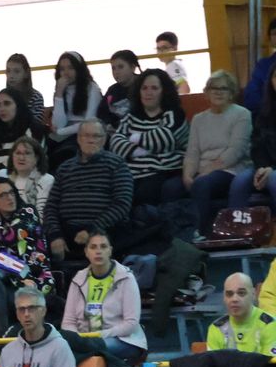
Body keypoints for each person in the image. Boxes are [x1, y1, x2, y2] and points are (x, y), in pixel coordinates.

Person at [46, 120, 135, 261]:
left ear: (104, 139)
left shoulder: (117, 164)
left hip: (106, 231)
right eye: (86, 135)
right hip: (67, 232)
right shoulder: (64, 168)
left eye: (96, 136)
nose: (91, 140)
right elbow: (51, 206)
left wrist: (92, 230)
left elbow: (122, 204)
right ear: (78, 139)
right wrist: (55, 235)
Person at [0, 177, 55, 334]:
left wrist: (2, 259)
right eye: (2, 195)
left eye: (11, 193)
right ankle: (3, 332)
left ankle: (4, 333)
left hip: (38, 278)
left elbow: (6, 239)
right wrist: (2, 260)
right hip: (14, 281)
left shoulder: (28, 212)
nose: (9, 197)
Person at [182, 70, 251, 237]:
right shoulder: (199, 119)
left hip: (232, 169)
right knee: (171, 188)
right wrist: (187, 175)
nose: (218, 92)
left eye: (224, 88)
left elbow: (236, 151)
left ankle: (203, 234)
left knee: (202, 184)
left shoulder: (241, 114)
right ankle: (174, 239)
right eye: (214, 88)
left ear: (231, 93)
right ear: (207, 92)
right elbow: (192, 152)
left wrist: (204, 173)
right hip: (203, 172)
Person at [61, 230, 144, 362]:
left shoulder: (126, 278)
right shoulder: (78, 279)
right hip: (84, 340)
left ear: (110, 250)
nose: (98, 251)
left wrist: (97, 336)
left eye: (103, 246)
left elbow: (131, 324)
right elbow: (68, 322)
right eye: (93, 247)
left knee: (92, 349)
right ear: (86, 252)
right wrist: (79, 338)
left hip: (122, 340)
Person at [108, 69, 188, 206]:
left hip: (163, 171)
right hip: (131, 173)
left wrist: (132, 139)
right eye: (144, 88)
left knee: (143, 194)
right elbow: (115, 143)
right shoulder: (131, 115)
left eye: (154, 88)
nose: (148, 92)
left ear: (164, 91)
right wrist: (147, 148)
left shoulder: (174, 113)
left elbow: (165, 138)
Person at [0, 89, 47, 209]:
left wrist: (3, 171)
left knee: (3, 174)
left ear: (18, 105)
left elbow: (35, 161)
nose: (1, 109)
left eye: (7, 103)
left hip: (26, 177)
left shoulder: (33, 130)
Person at [232, 63, 276, 211]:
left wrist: (272, 170)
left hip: (273, 171)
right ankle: (237, 230)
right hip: (265, 166)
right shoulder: (265, 111)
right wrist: (262, 167)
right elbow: (257, 145)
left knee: (274, 180)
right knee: (240, 181)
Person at [50, 51, 103, 166]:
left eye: (70, 68)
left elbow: (88, 122)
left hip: (83, 133)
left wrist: (60, 131)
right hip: (64, 134)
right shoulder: (62, 90)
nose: (66, 73)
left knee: (66, 152)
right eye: (62, 69)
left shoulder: (92, 88)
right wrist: (59, 93)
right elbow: (59, 124)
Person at [0, 54, 47, 135]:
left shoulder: (36, 97)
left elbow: (35, 127)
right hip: (1, 141)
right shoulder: (1, 97)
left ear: (26, 73)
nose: (11, 76)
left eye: (16, 71)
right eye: (8, 71)